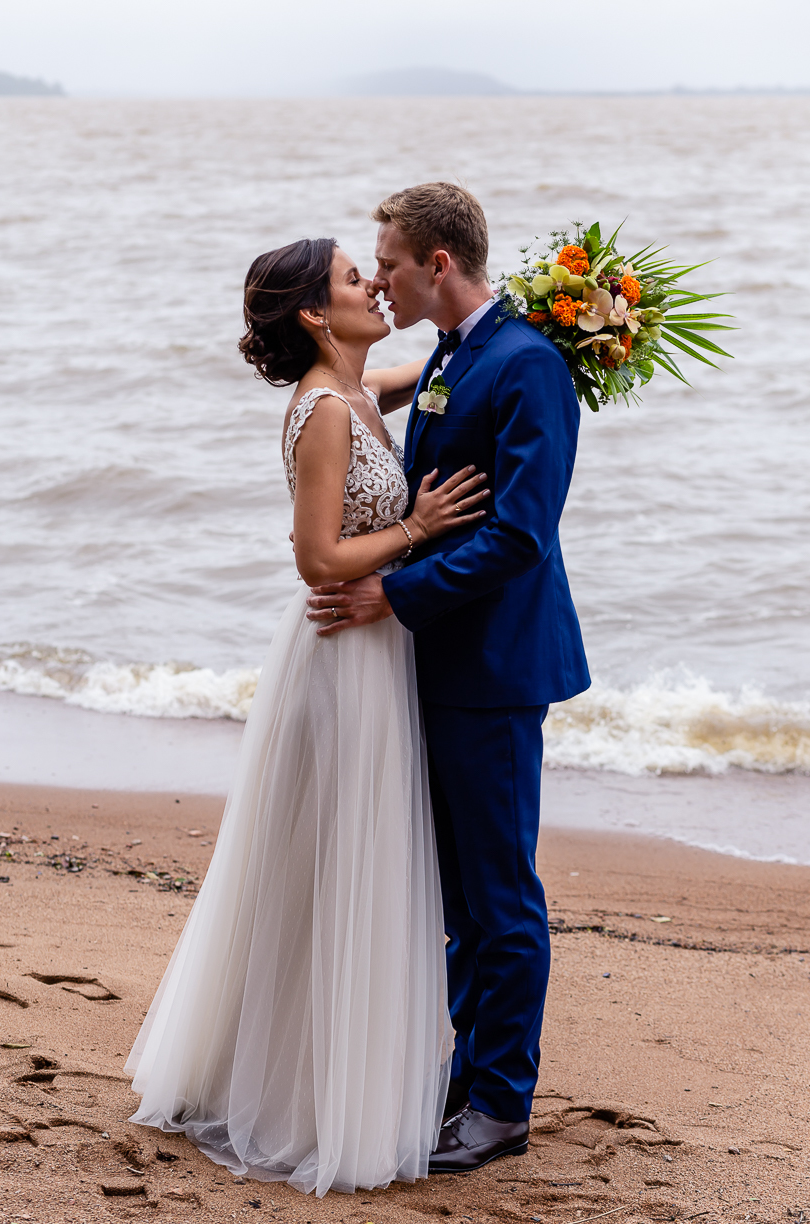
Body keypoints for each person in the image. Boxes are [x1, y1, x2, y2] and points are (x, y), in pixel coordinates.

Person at [125, 236, 490, 1197]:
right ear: (316, 318)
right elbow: (318, 558)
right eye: (350, 278)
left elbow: (442, 362)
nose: (373, 283)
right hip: (341, 652)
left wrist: (530, 323)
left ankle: (324, 1071)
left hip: (376, 648)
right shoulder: (326, 412)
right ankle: (304, 1096)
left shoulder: (364, 393)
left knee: (346, 863)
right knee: (334, 864)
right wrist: (417, 528)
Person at [306, 183, 591, 1174]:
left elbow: (521, 534)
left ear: (437, 264)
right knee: (461, 898)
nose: (378, 278)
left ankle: (503, 1104)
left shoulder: (527, 365)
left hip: (496, 666)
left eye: (387, 261)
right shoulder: (451, 355)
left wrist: (396, 594)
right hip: (442, 662)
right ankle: (469, 1075)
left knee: (500, 894)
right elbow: (357, 405)